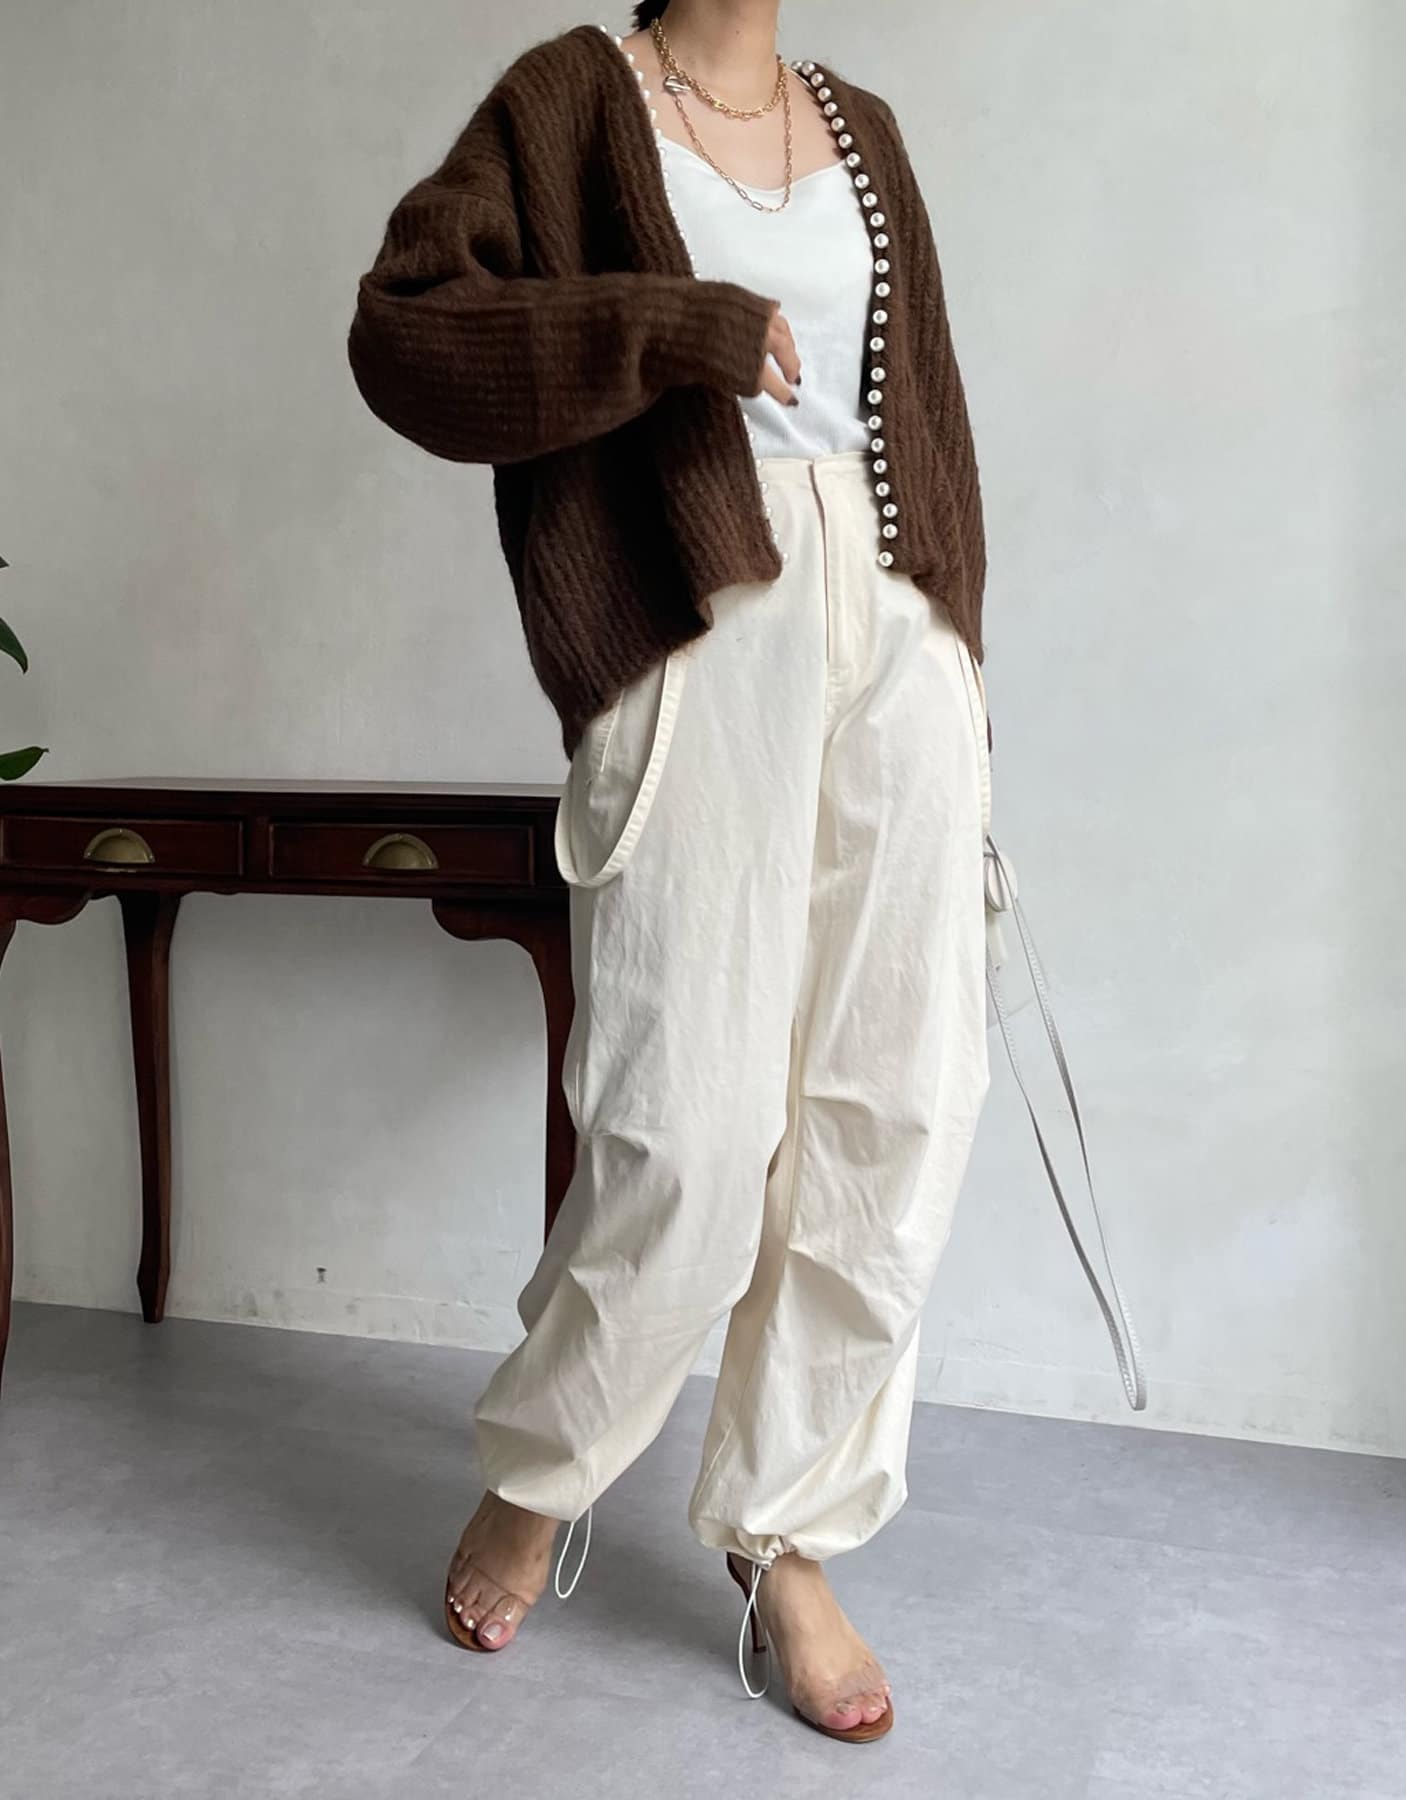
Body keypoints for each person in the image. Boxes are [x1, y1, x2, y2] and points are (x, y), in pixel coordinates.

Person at [347, 0, 992, 1745]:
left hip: (903, 636)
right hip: (707, 626)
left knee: (897, 1109)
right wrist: (666, 325)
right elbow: (409, 336)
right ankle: (546, 1468)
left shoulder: (861, 128)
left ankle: (786, 1537)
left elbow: (927, 414)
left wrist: (954, 654)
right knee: (687, 1128)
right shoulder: (568, 101)